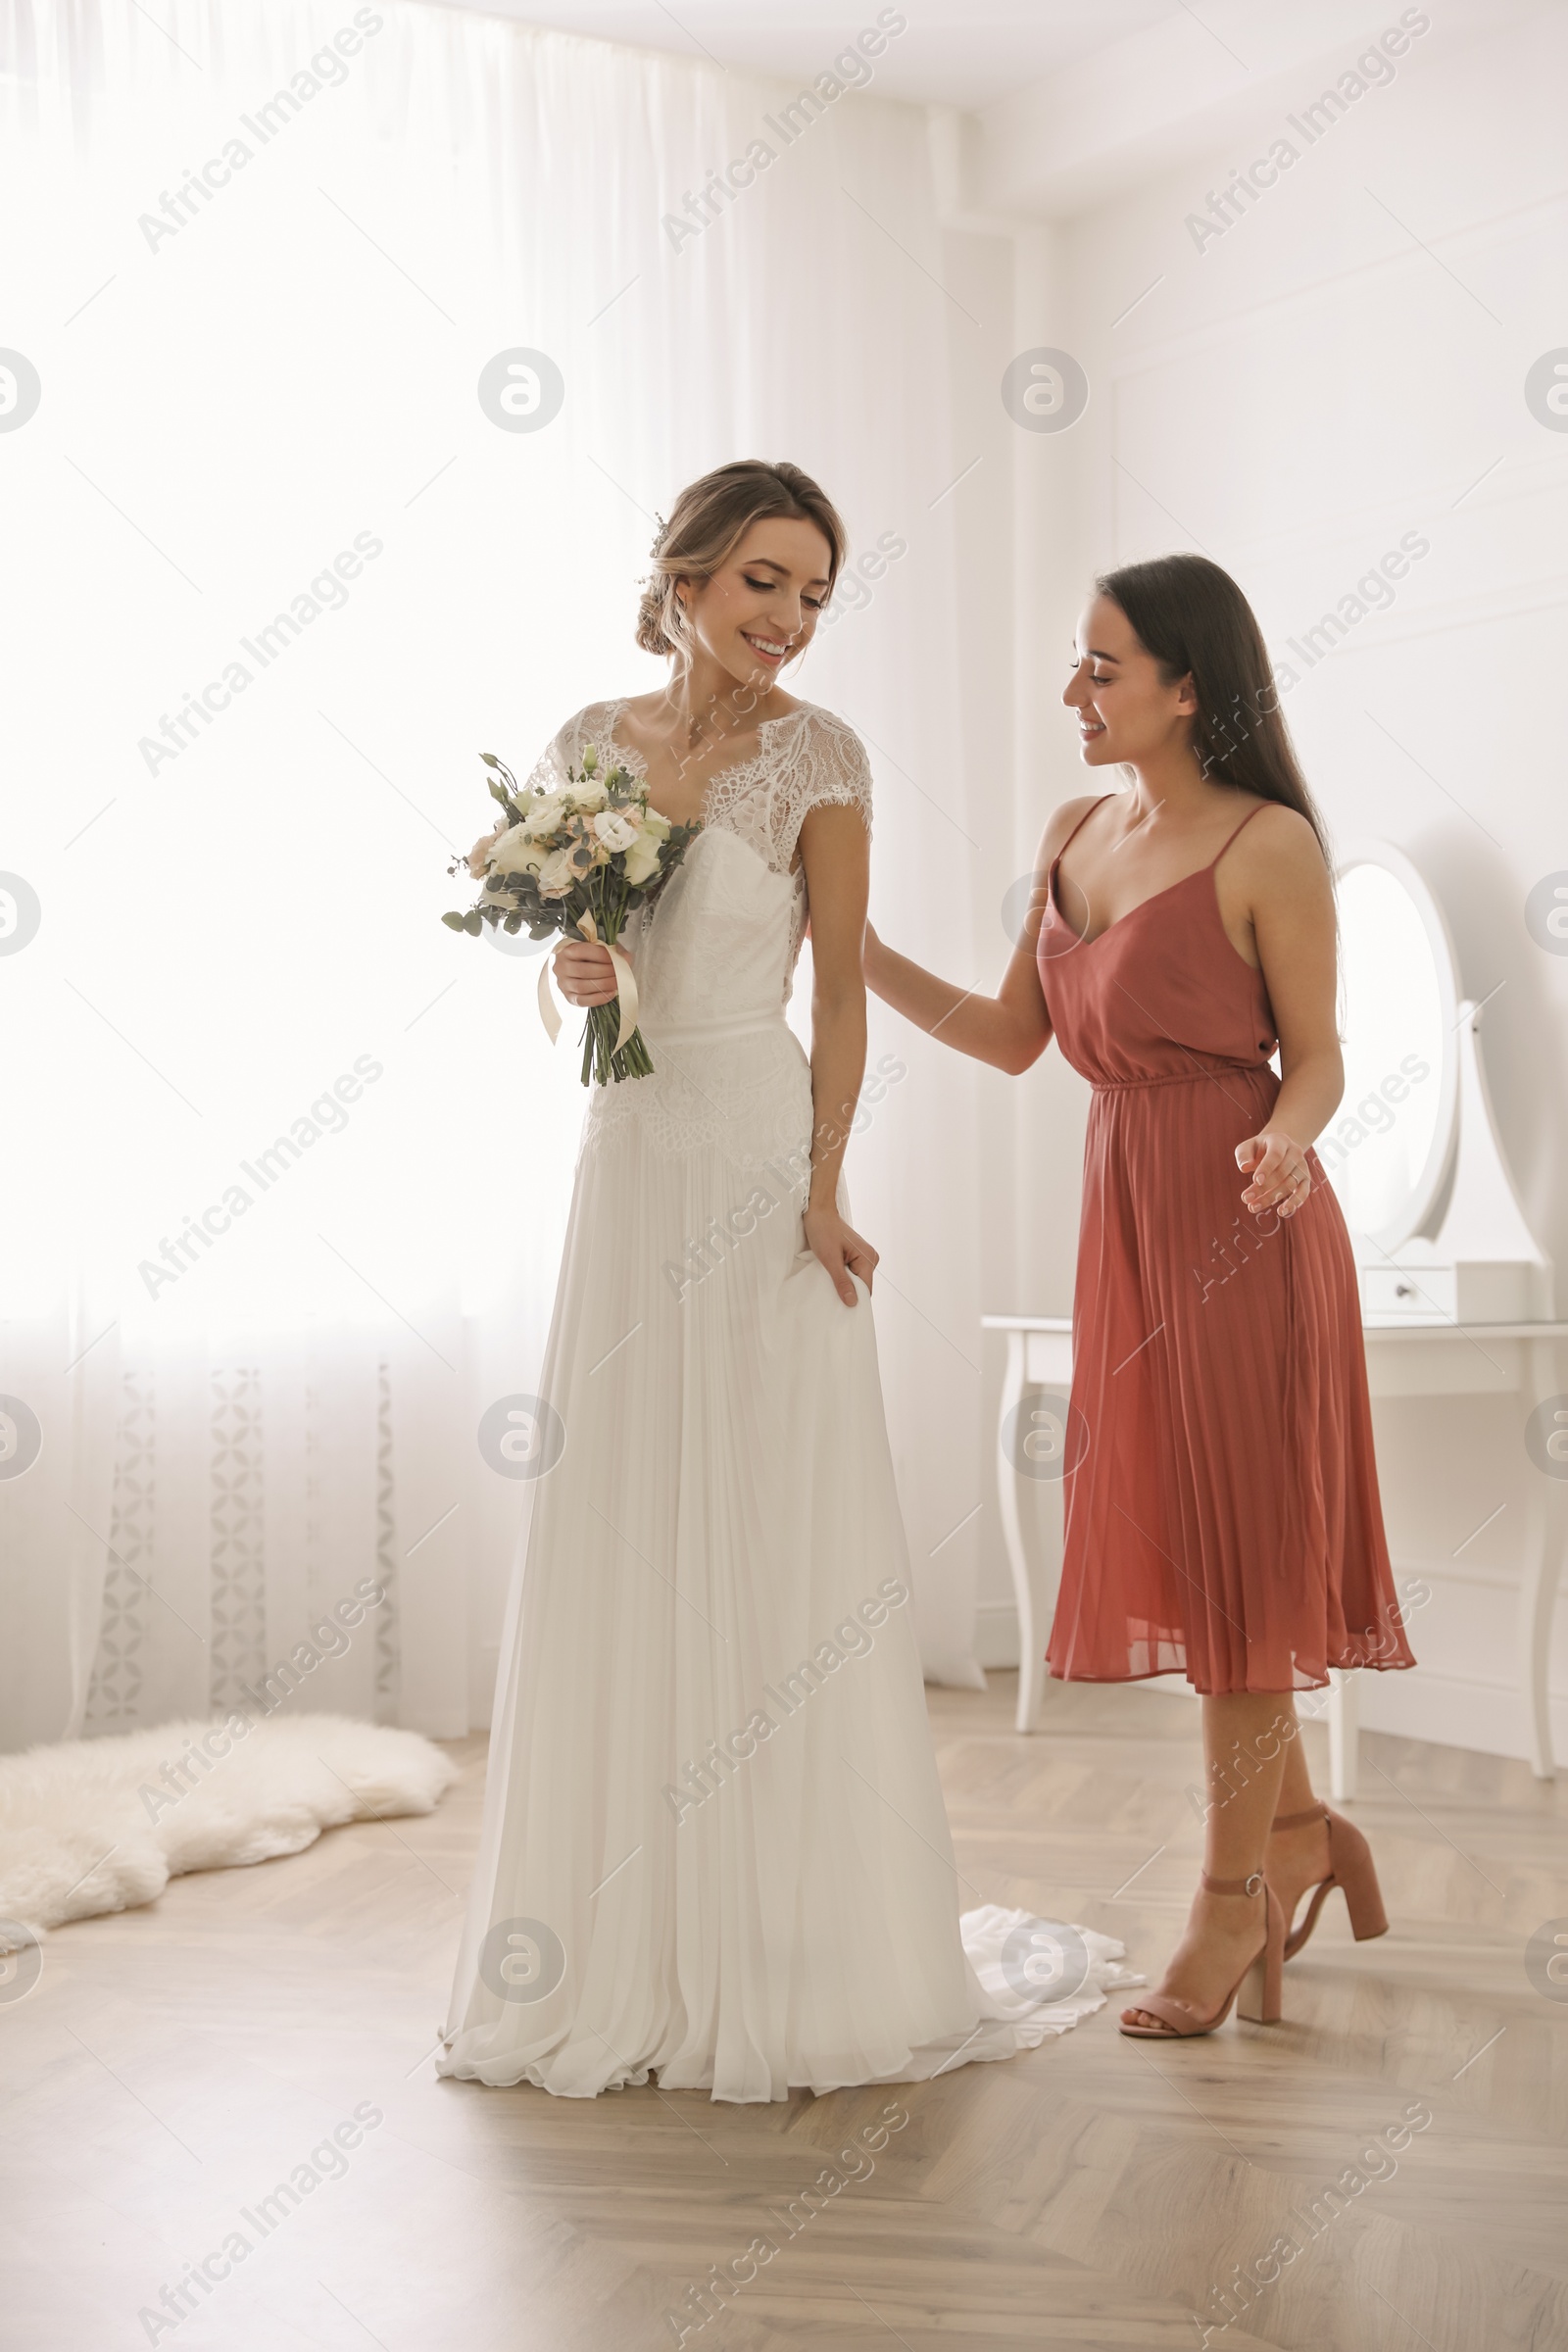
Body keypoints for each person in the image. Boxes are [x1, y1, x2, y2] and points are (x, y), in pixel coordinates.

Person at [437, 461, 1131, 2101]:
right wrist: (577, 964)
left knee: (765, 1512)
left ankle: (793, 1941)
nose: (789, 620)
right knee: (629, 1514)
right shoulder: (588, 746)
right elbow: (574, 963)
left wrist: (826, 1188)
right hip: (629, 1149)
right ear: (681, 573)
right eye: (764, 580)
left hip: (755, 1152)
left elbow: (840, 994)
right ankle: (617, 1948)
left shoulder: (823, 758)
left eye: (816, 593)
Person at [862, 553, 1412, 2039]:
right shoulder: (1074, 833)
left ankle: (1230, 1903)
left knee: (1239, 1578)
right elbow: (1005, 1035)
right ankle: (1299, 1833)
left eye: (1102, 669)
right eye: (1076, 664)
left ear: (1189, 684)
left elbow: (1318, 1058)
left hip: (1244, 1224)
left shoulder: (1268, 842)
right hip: (1123, 1223)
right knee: (1196, 1556)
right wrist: (844, 948)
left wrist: (1289, 1146)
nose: (1073, 694)